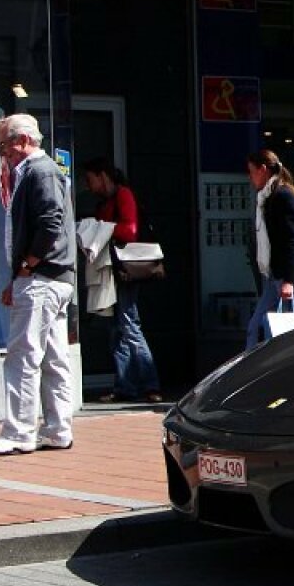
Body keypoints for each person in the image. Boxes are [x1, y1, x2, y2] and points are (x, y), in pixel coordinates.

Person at [0, 114, 76, 454]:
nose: (2, 153)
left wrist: (26, 266)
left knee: (23, 355)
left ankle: (18, 432)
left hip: (41, 278)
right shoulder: (41, 171)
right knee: (52, 357)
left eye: (4, 145)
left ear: (21, 142)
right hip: (50, 278)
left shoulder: (39, 170)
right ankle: (57, 429)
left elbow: (51, 222)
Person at [83, 158, 162, 404]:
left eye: (90, 178)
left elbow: (130, 230)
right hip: (113, 271)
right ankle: (125, 386)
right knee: (117, 330)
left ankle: (151, 385)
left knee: (128, 326)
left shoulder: (123, 195)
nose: (88, 185)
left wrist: (102, 228)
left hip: (125, 271)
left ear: (102, 176)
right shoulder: (106, 202)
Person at [245, 149, 294, 349]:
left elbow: (293, 240)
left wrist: (289, 281)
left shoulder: (282, 196)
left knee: (291, 334)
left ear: (263, 169)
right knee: (256, 328)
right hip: (274, 274)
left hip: (285, 276)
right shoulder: (267, 197)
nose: (249, 177)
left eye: (251, 171)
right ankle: (250, 371)